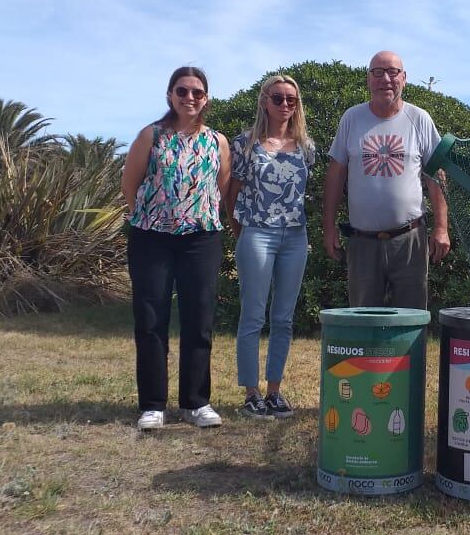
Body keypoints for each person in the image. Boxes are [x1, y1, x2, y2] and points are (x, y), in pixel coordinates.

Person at [121, 66, 231, 431]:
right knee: (151, 320)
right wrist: (153, 218)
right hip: (152, 238)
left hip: (201, 239)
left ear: (206, 99)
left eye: (197, 92)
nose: (190, 98)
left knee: (199, 320)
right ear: (169, 95)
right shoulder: (151, 135)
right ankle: (153, 405)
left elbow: (221, 187)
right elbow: (130, 184)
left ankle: (196, 402)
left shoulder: (218, 141)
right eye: (182, 91)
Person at [322, 51, 450, 309]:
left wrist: (441, 228)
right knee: (362, 322)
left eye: (393, 72)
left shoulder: (419, 119)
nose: (386, 79)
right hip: (362, 242)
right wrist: (328, 228)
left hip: (410, 240)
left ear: (404, 78)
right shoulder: (352, 118)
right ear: (368, 79)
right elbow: (336, 175)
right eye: (377, 72)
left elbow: (437, 175)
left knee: (411, 321)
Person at [228, 74, 315, 419]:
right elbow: (231, 195)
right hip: (258, 233)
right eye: (277, 98)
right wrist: (242, 230)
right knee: (253, 314)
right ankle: (251, 392)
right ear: (264, 100)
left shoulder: (306, 147)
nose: (284, 105)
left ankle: (275, 391)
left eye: (291, 100)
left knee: (283, 318)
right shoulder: (246, 143)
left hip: (295, 236)